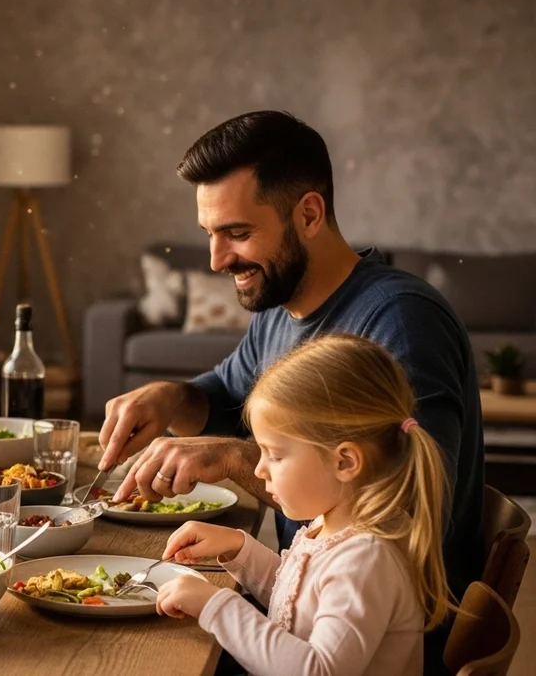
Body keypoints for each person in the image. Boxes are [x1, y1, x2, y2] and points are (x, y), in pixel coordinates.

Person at [96, 111, 482, 670]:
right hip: (305, 604)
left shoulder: (400, 321)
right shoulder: (282, 309)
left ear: (308, 213)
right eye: (210, 234)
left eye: (238, 233)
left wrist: (236, 456)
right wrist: (173, 396)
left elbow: (412, 509)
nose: (216, 260)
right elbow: (226, 395)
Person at [155, 334, 454, 675]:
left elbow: (317, 669)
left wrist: (215, 605)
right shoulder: (334, 526)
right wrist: (241, 549)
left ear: (345, 462)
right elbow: (297, 610)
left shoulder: (366, 560)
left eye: (276, 455)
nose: (258, 468)